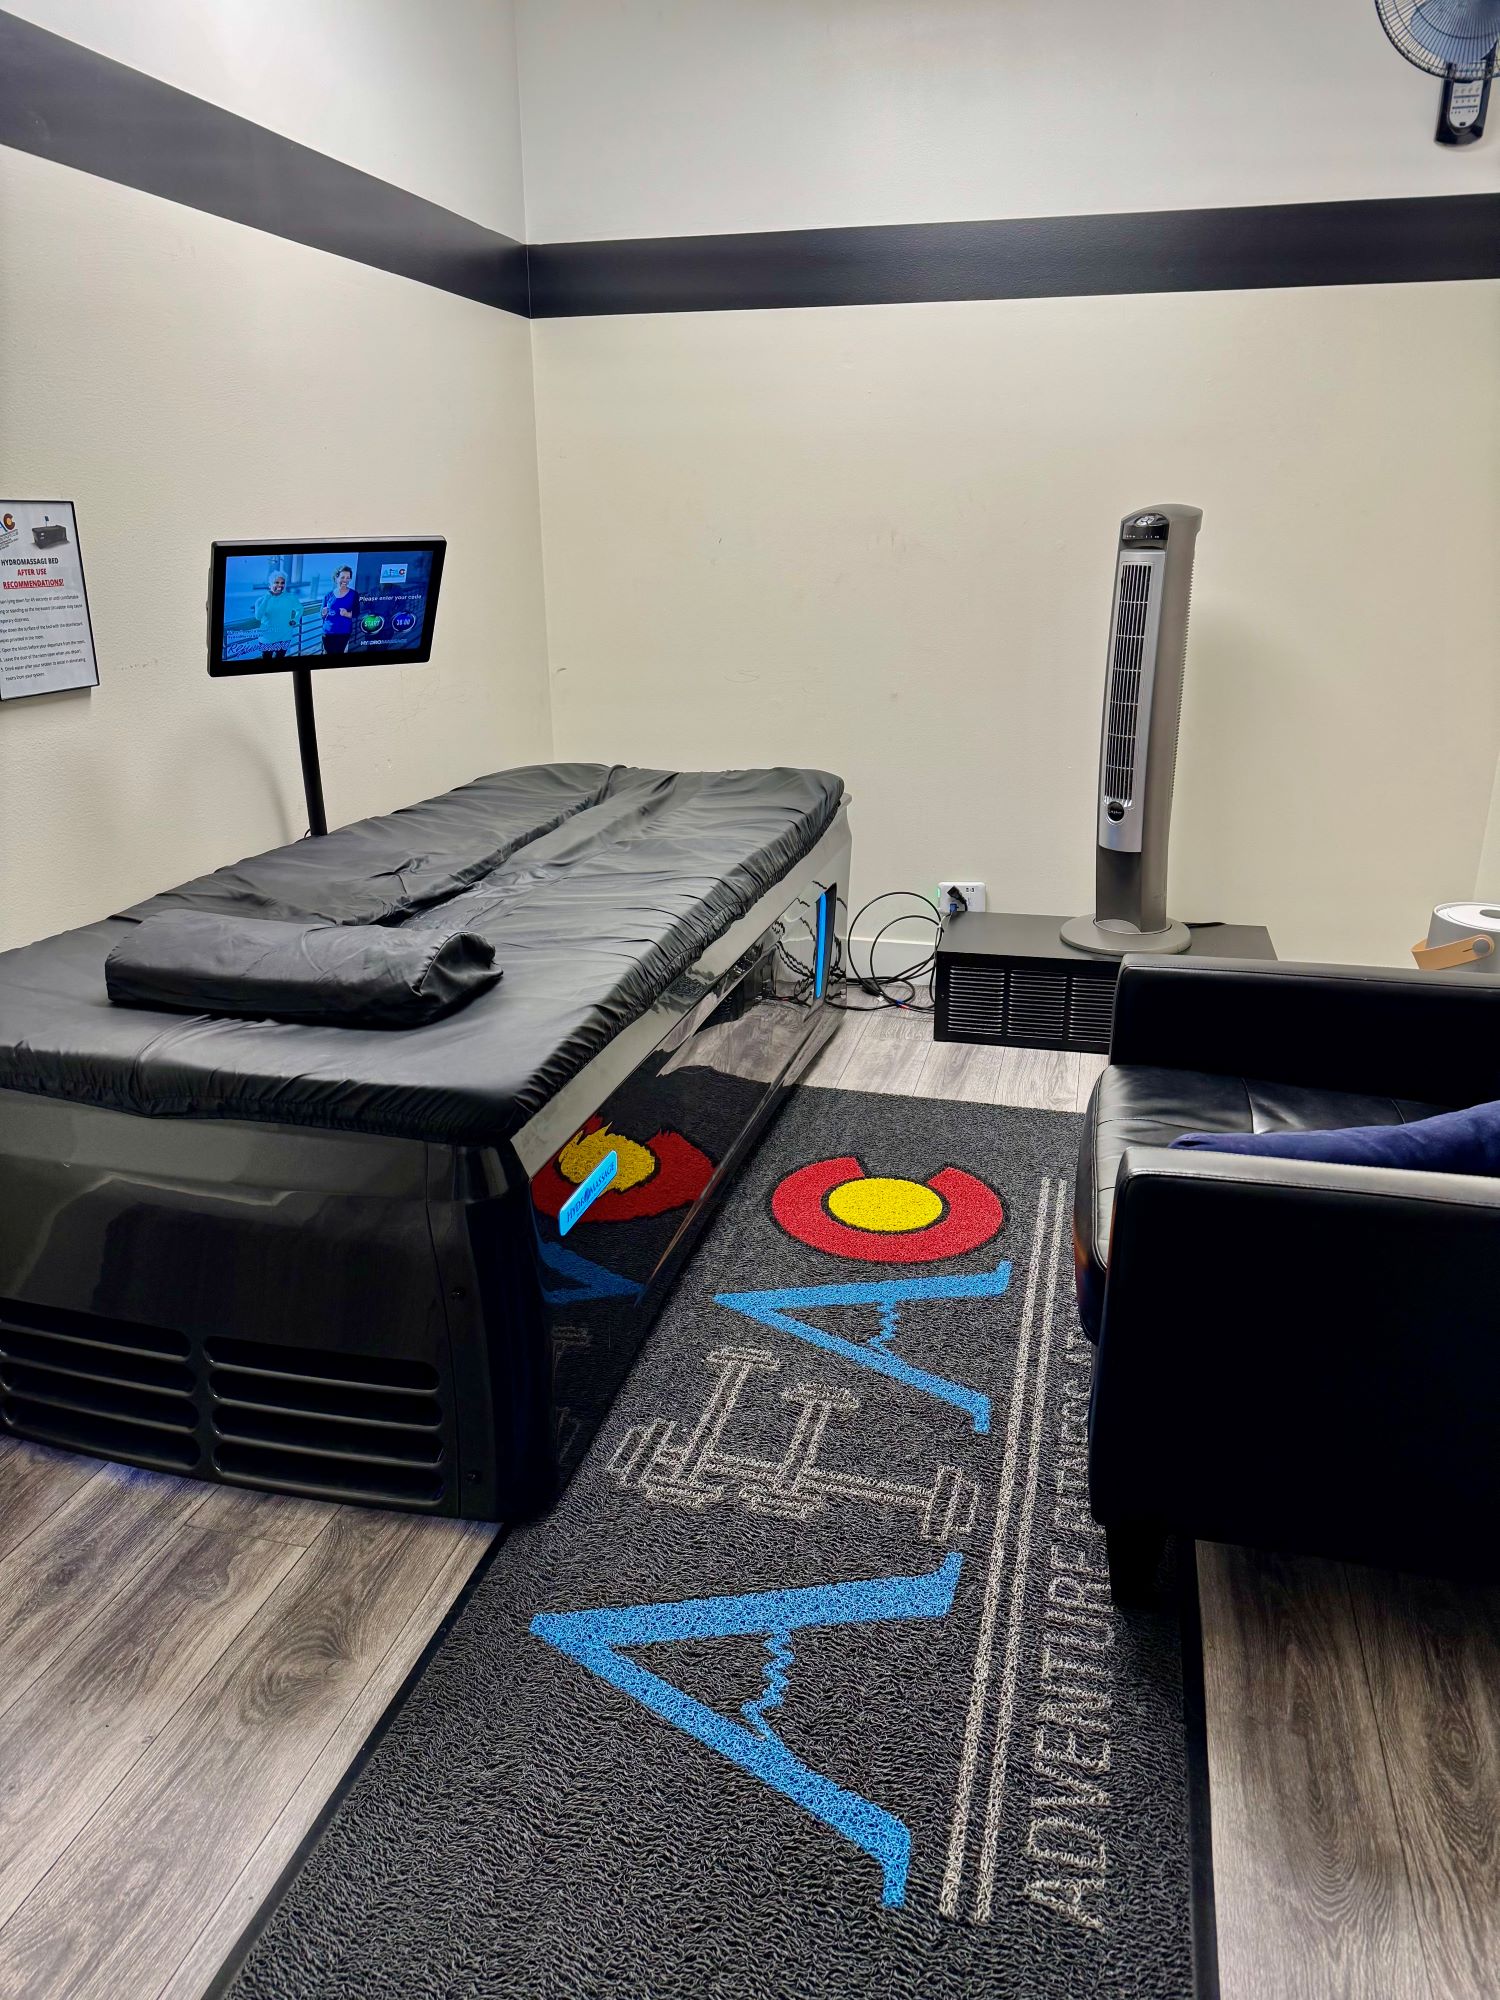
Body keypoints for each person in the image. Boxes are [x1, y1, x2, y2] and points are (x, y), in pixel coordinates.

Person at [254, 572, 301, 659]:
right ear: (270, 584)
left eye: (282, 583)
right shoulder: (260, 600)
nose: (280, 585)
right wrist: (267, 598)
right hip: (267, 639)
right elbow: (258, 616)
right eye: (276, 582)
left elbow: (300, 609)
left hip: (285, 636)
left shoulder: (290, 597)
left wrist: (295, 619)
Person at [321, 565, 360, 656]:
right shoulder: (328, 595)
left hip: (343, 632)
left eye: (348, 578)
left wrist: (347, 614)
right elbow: (322, 614)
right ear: (336, 578)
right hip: (327, 632)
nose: (345, 580)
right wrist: (324, 613)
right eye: (342, 577)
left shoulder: (354, 594)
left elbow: (356, 613)